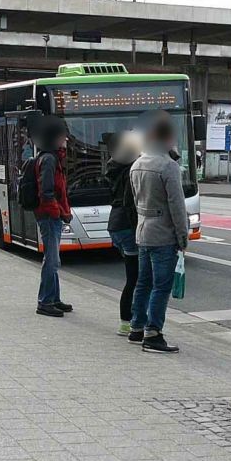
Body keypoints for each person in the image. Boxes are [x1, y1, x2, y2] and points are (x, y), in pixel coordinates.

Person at [128, 111, 188, 353]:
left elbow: (135, 199)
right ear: (168, 138)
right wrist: (182, 237)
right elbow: (177, 205)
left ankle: (136, 326)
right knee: (161, 286)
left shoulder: (137, 164)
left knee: (143, 282)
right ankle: (153, 333)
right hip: (163, 233)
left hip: (142, 230)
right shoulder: (168, 167)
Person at [32, 116, 73, 318]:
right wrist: (58, 211)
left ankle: (54, 298)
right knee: (52, 259)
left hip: (52, 213)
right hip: (49, 215)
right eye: (63, 136)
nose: (66, 139)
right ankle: (45, 301)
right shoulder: (49, 159)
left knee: (53, 258)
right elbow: (47, 190)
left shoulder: (52, 157)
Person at [106, 130, 142, 336]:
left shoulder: (115, 166)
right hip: (127, 225)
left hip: (115, 224)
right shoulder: (132, 169)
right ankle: (129, 322)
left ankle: (126, 321)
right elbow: (131, 203)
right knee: (137, 279)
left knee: (133, 277)